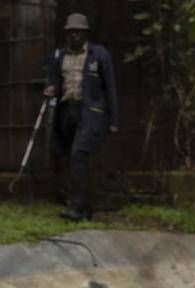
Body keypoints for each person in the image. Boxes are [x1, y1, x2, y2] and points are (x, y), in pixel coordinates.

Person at [43, 13, 119, 221]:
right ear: (66, 34)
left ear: (86, 33)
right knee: (71, 158)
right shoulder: (60, 55)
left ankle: (76, 208)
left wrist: (113, 120)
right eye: (70, 32)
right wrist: (51, 88)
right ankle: (84, 208)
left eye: (78, 31)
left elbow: (110, 87)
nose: (74, 35)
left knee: (78, 155)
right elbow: (55, 81)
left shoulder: (99, 54)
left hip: (90, 113)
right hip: (67, 111)